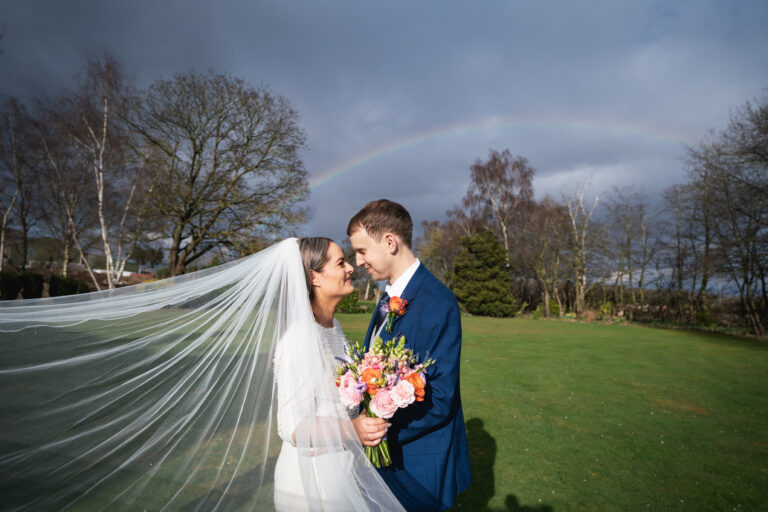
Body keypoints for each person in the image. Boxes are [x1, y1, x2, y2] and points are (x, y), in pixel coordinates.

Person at [0, 237, 403, 511]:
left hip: (339, 467)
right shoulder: (299, 338)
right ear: (313, 276)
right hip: (311, 478)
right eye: (340, 262)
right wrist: (354, 430)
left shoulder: (331, 328)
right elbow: (291, 426)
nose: (350, 267)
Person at [348, 199, 472, 512]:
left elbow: (440, 400)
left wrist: (375, 431)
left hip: (418, 464)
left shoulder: (436, 301)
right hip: (387, 464)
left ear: (390, 242)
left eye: (362, 250)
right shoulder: (386, 299)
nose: (359, 261)